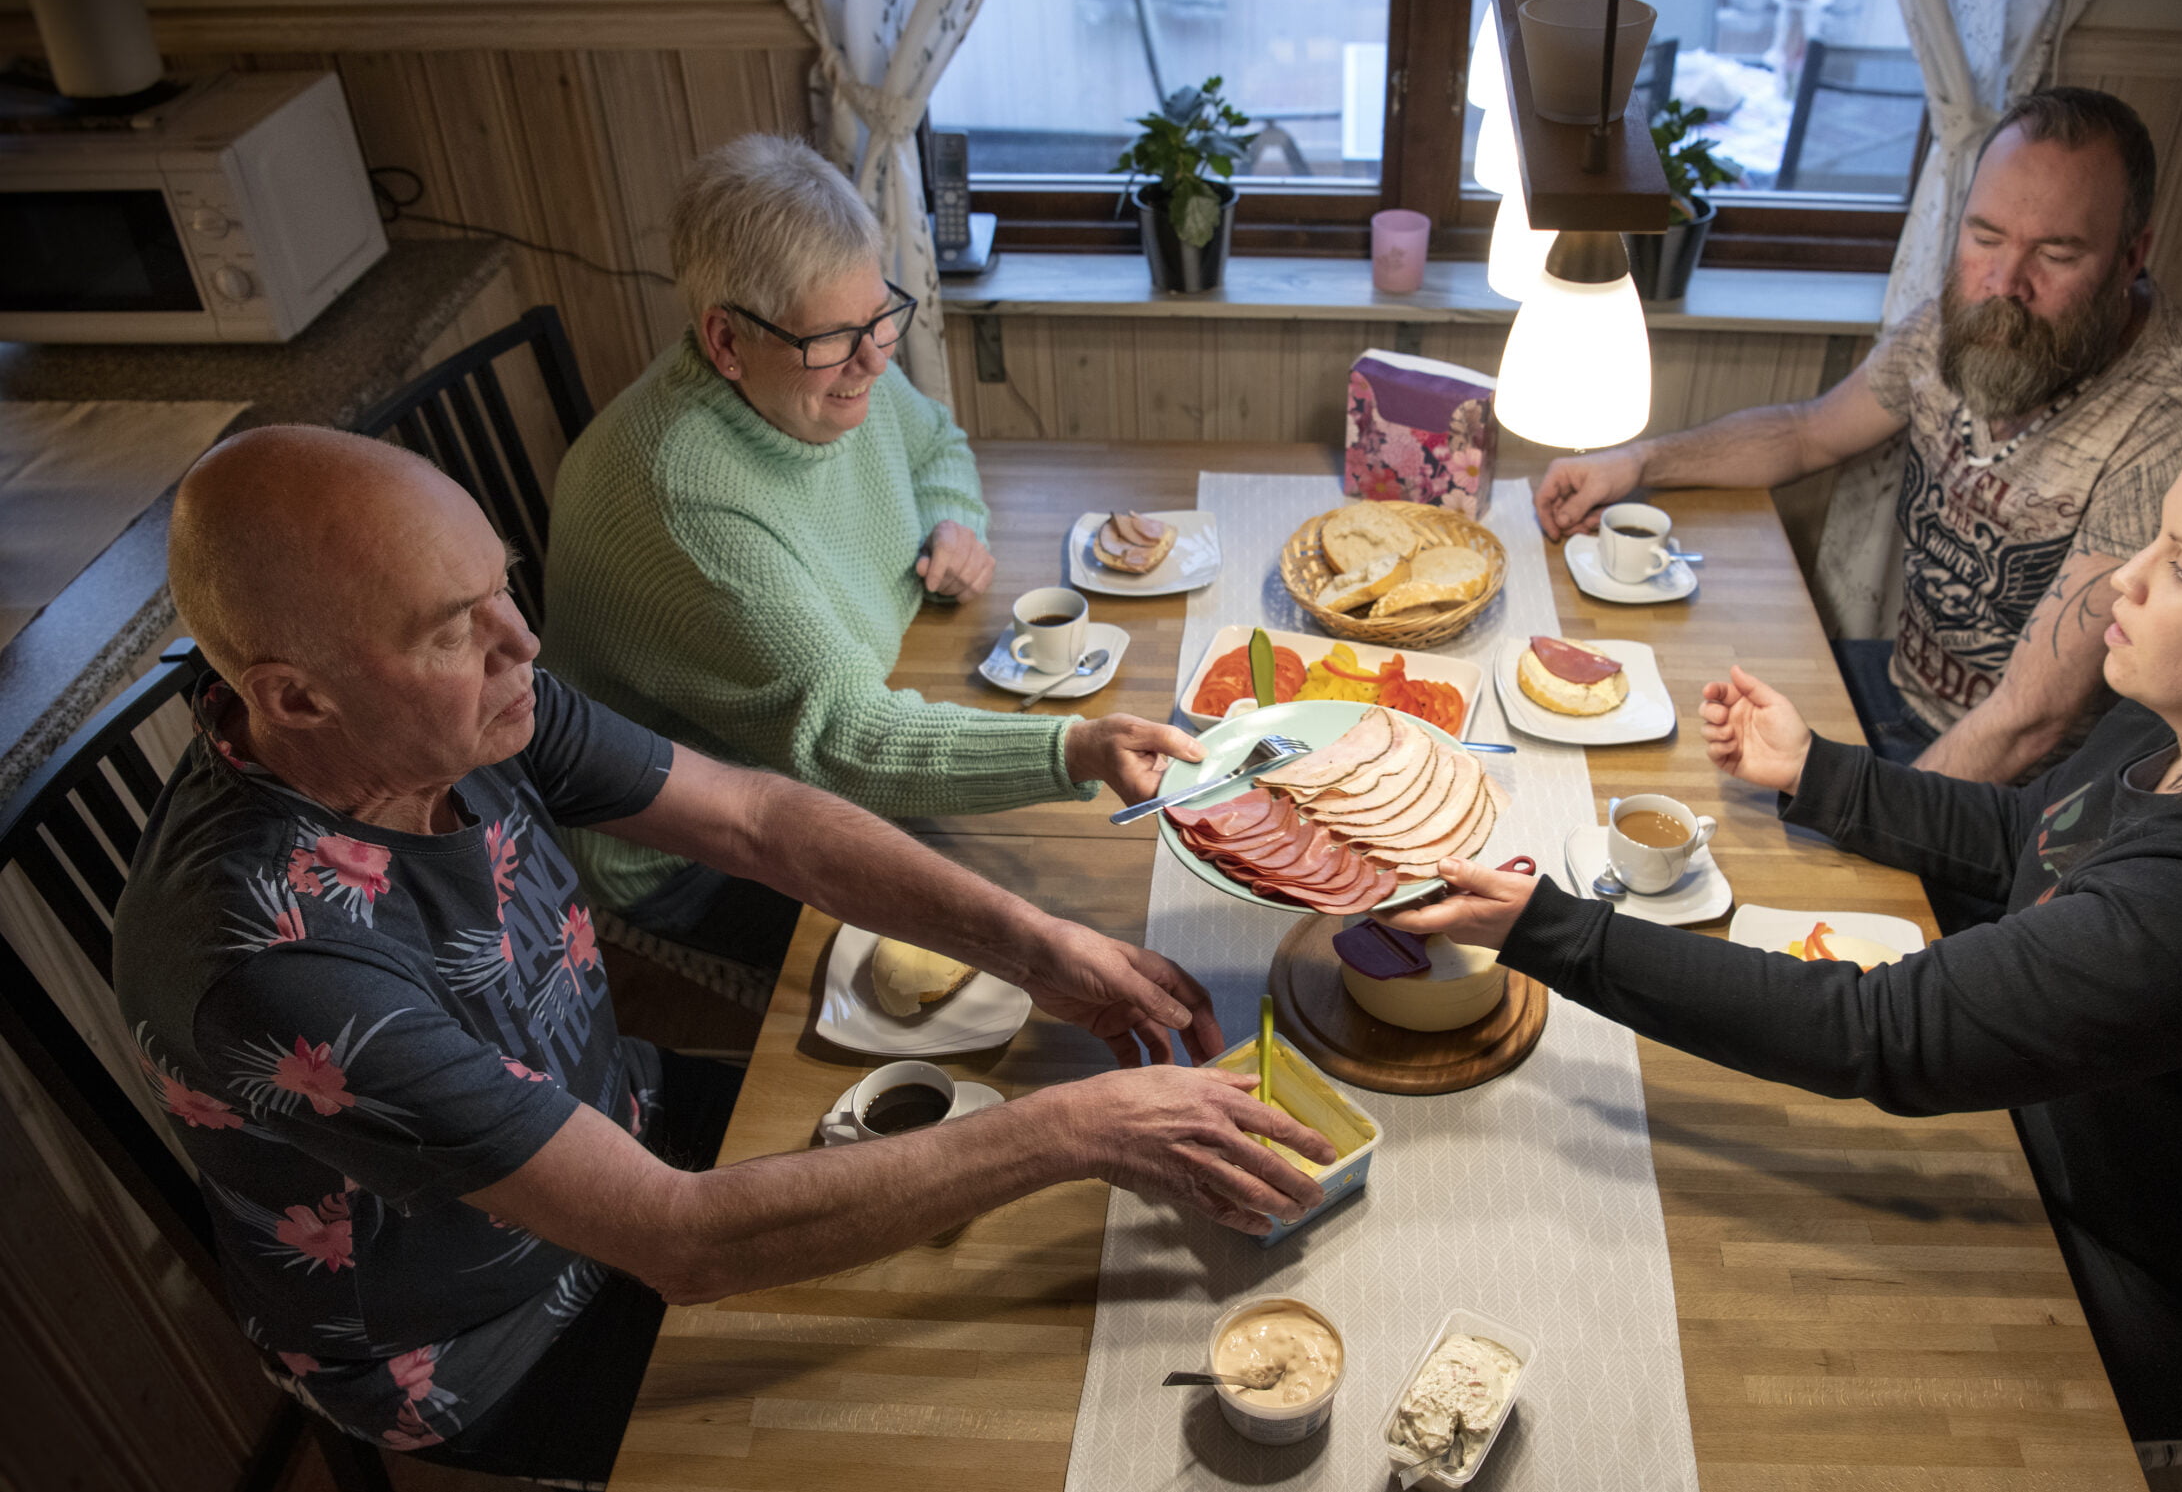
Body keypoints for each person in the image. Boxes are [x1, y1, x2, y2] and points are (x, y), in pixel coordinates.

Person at [117, 427, 1333, 1483]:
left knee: (1016, 1255)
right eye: (456, 629)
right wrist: (1082, 1128)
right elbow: (680, 1241)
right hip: (490, 1328)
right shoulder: (267, 961)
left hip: (618, 1114)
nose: (522, 642)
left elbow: (755, 819)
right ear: (294, 701)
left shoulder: (449, 704)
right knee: (955, 1408)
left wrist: (1035, 942)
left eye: (503, 590)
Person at [1394, 408, 2182, 1448]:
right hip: (2087, 1134)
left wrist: (1555, 931)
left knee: (1792, 1317)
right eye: (2157, 537)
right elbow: (2036, 833)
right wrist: (1822, 774)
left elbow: (1879, 1032)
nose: (2126, 577)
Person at [542, 134, 1198, 964]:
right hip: (695, 848)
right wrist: (1070, 748)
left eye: (882, 317)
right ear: (726, 343)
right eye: (836, 340)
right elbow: (848, 737)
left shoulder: (828, 369)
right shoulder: (686, 498)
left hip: (851, 716)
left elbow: (936, 445)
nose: (875, 360)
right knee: (1024, 937)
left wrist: (954, 521)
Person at [1536, 87, 2182, 786]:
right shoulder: (1968, 316)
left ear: (2133, 255)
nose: (2006, 281)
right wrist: (1638, 458)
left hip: (2018, 796)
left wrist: (1862, 815)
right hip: (1889, 693)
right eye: (1985, 236)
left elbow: (2029, 720)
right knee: (1648, 742)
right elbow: (1806, 433)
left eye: (2058, 255)